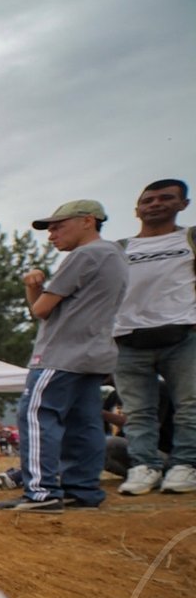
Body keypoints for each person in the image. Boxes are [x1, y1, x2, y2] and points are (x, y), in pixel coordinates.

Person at [0, 200, 128, 511]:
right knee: (85, 422)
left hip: (61, 354)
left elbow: (41, 309)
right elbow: (45, 309)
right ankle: (81, 490)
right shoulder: (115, 255)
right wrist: (39, 288)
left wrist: (35, 287)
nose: (52, 235)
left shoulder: (85, 255)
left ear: (88, 221)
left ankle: (42, 492)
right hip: (93, 352)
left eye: (58, 226)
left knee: (36, 415)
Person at [113, 178, 196, 496]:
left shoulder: (189, 239)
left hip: (182, 335)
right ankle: (143, 466)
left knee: (189, 405)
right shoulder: (121, 248)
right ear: (137, 209)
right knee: (137, 411)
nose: (156, 204)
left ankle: (185, 465)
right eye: (148, 200)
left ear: (183, 204)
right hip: (129, 339)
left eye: (166, 198)